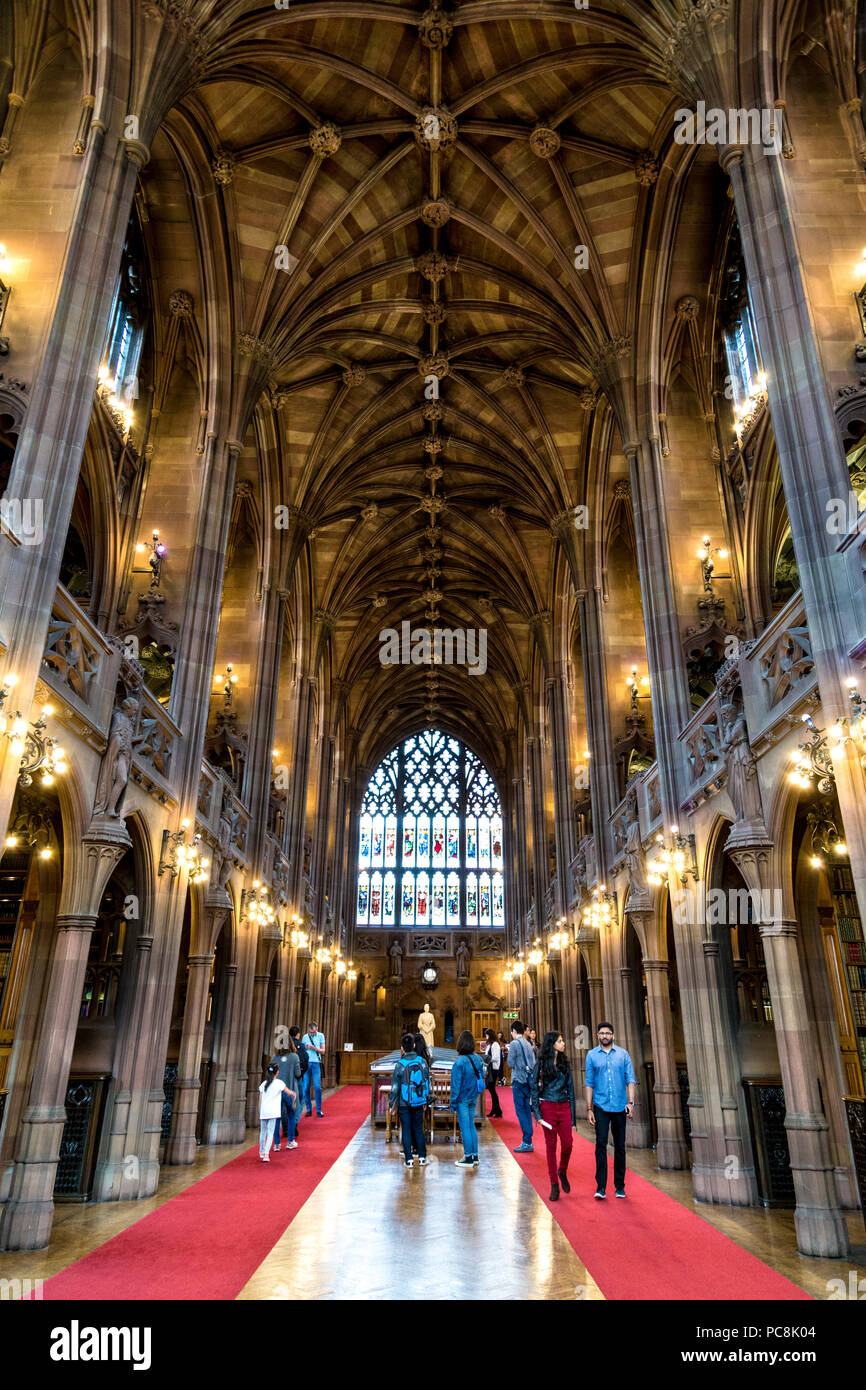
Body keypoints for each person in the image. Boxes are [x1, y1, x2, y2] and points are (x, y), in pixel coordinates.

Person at [585, 1021, 636, 1199]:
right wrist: (589, 1109)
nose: (604, 1036)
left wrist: (631, 1103)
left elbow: (630, 1079)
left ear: (612, 1035)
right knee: (600, 1145)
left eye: (607, 1033)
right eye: (601, 1033)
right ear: (598, 1036)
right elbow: (589, 1083)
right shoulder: (591, 1055)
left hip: (620, 1106)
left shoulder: (623, 1054)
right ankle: (600, 1187)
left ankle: (620, 1186)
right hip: (600, 1106)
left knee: (620, 1146)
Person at [531, 1031, 577, 1201]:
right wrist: (537, 1114)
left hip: (564, 1105)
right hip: (548, 1106)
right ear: (552, 1045)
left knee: (568, 1144)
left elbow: (571, 1089)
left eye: (563, 1040)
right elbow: (534, 1088)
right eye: (560, 1041)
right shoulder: (541, 1064)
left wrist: (572, 1118)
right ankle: (554, 1184)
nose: (563, 1043)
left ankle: (562, 1170)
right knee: (551, 1148)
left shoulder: (565, 1063)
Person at [389, 1033, 430, 1168]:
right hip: (419, 1101)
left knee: (406, 1129)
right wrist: (425, 1100)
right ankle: (423, 1157)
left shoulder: (400, 1065)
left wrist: (391, 1104)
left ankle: (409, 1159)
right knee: (418, 1128)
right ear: (413, 1045)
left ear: (402, 1048)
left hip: (404, 1102)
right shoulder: (422, 1062)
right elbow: (427, 1082)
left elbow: (395, 1087)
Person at [450, 1030, 482, 1168]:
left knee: (465, 1128)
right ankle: (475, 1156)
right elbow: (481, 1075)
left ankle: (468, 1157)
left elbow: (455, 1086)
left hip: (462, 1098)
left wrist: (452, 1103)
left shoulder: (459, 1062)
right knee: (471, 1126)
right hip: (473, 1096)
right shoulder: (478, 1059)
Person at [258, 1063, 297, 1163]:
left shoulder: (263, 1084)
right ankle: (266, 1154)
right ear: (277, 1072)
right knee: (270, 1133)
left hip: (264, 1111)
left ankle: (261, 1151)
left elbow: (260, 1100)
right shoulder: (279, 1083)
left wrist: (260, 1111)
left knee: (263, 1132)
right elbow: (288, 1092)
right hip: (273, 1112)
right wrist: (294, 1094)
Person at [269, 1037, 302, 1152]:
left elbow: (270, 1074)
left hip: (277, 1091)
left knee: (277, 1117)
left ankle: (276, 1144)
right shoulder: (294, 1057)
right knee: (291, 1115)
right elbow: (298, 1074)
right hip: (289, 1090)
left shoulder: (274, 1058)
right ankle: (290, 1141)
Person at [508, 1019, 536, 1152]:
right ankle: (528, 1140)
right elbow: (534, 1062)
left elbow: (510, 1063)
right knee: (526, 1109)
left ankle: (526, 1141)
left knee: (521, 1112)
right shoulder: (528, 1043)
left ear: (514, 1031)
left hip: (518, 1080)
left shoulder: (514, 1044)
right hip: (528, 1080)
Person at [301, 1021, 326, 1116]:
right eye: (310, 1032)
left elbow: (323, 1051)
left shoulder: (320, 1036)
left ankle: (319, 1110)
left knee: (317, 1087)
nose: (312, 1034)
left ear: (317, 1029)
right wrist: (305, 1047)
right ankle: (308, 1109)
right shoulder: (305, 1037)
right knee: (306, 1087)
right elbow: (301, 1050)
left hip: (316, 1063)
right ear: (308, 1030)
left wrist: (315, 1048)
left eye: (314, 1032)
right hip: (307, 1063)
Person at [289, 1025, 307, 1140]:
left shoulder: (284, 1046)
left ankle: (286, 1126)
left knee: (285, 1101)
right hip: (298, 1076)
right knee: (299, 1098)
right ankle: (295, 1121)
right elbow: (305, 1060)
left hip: (285, 1077)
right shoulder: (300, 1046)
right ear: (298, 1034)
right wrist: (301, 1073)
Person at [482, 1027, 503, 1118]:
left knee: (492, 1089)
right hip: (490, 1069)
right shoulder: (490, 1045)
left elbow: (495, 1058)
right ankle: (495, 1110)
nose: (486, 1037)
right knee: (491, 1089)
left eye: (486, 1035)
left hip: (494, 1069)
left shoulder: (495, 1045)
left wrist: (486, 1058)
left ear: (490, 1035)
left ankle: (497, 1110)